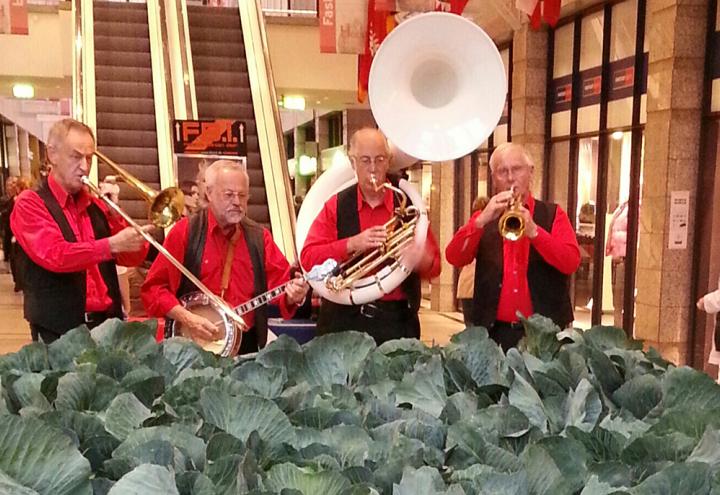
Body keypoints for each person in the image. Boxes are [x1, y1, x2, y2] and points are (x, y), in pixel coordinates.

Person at [141, 160, 309, 354]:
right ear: (209, 193)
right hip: (191, 345)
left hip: (245, 346)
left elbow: (283, 288)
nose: (237, 202)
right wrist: (186, 317)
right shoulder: (185, 232)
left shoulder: (259, 238)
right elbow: (153, 289)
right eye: (229, 195)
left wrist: (294, 295)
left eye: (243, 195)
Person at [10, 118, 151, 343]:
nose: (85, 167)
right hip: (58, 330)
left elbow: (135, 256)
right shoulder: (30, 202)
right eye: (76, 157)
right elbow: (56, 254)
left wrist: (116, 215)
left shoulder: (94, 205)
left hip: (106, 324)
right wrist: (111, 244)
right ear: (52, 155)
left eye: (89, 158)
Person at [300, 127, 441, 345]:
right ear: (352, 162)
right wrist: (351, 244)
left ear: (389, 161)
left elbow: (436, 266)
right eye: (365, 161)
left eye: (380, 159)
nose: (373, 169)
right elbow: (308, 258)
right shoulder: (335, 205)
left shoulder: (408, 204)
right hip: (342, 320)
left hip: (396, 322)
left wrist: (421, 259)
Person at [445, 142, 580, 351]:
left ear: (530, 172)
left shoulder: (554, 214)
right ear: (493, 179)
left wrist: (535, 232)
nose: (510, 178)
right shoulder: (484, 217)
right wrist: (479, 222)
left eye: (516, 169)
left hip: (544, 335)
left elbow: (571, 262)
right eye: (502, 171)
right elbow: (454, 257)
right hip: (495, 332)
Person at [456, 196, 489, 326]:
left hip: (466, 285)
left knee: (470, 326)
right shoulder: (480, 228)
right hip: (476, 285)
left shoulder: (467, 228)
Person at [605, 200, 628, 328]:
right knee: (616, 293)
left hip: (624, 256)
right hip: (616, 255)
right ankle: (617, 324)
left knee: (621, 293)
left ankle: (620, 326)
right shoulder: (622, 206)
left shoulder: (637, 207)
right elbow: (611, 228)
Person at [0, 176, 19, 288]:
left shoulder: (17, 199)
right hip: (9, 230)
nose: (12, 186)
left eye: (14, 184)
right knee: (12, 255)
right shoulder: (5, 200)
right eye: (10, 184)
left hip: (15, 231)